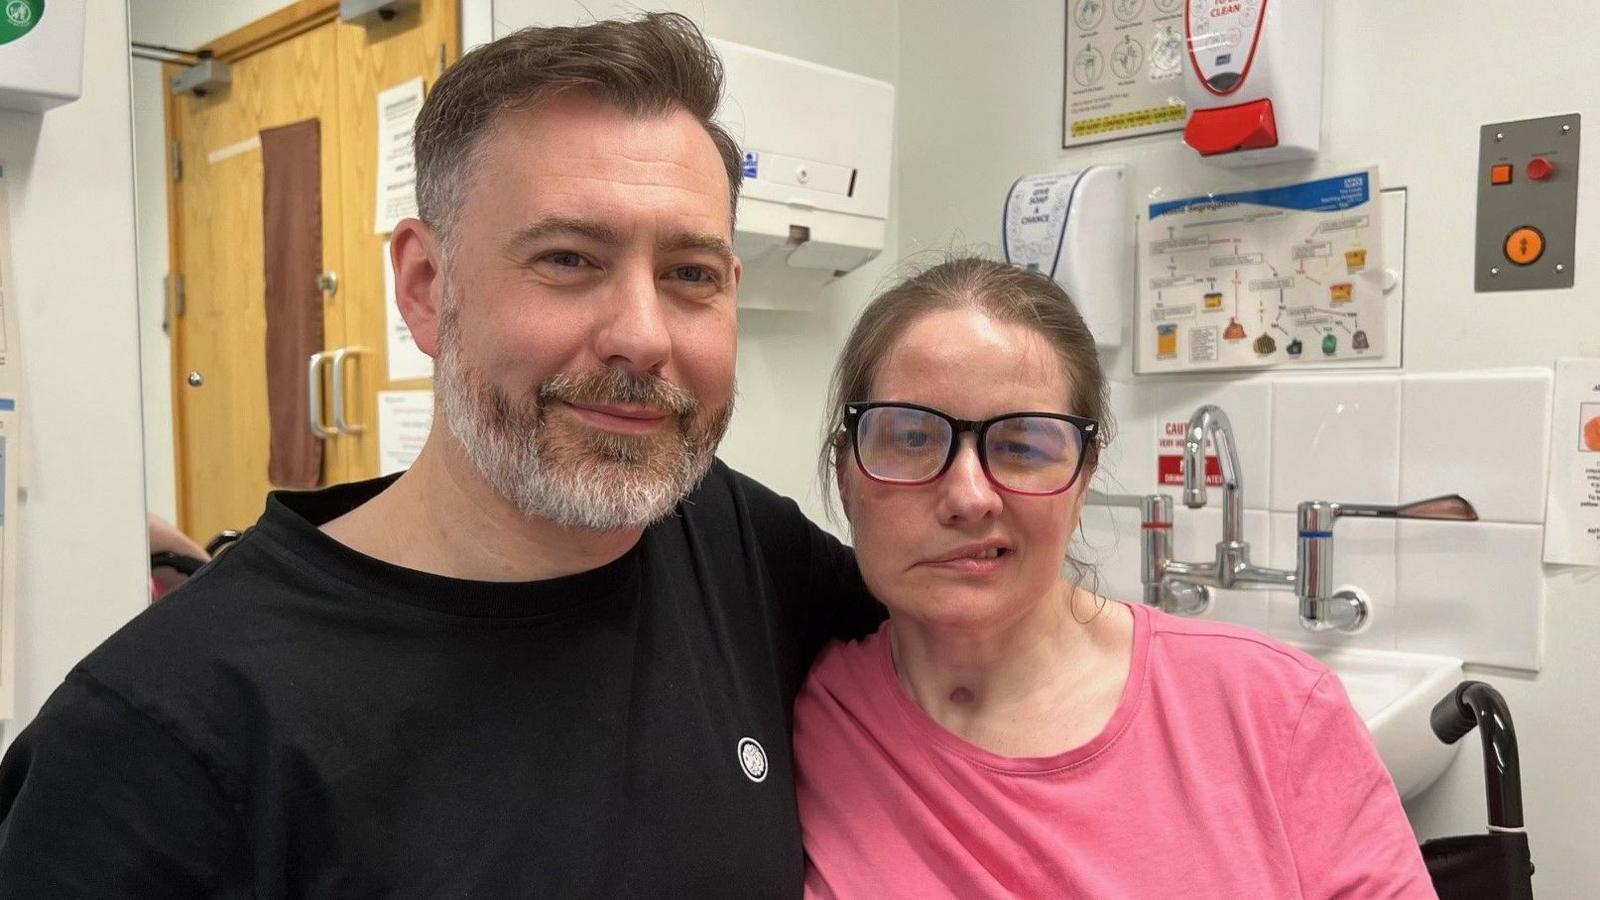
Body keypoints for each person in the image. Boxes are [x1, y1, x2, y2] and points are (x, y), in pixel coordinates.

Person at [0, 15, 879, 897]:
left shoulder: (733, 545)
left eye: (689, 275)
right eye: (569, 258)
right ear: (425, 287)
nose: (643, 339)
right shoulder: (165, 738)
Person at [793, 258, 1434, 898]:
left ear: (1082, 481)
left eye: (1021, 445)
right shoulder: (807, 713)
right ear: (844, 472)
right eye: (910, 437)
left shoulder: (1276, 711)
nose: (969, 495)